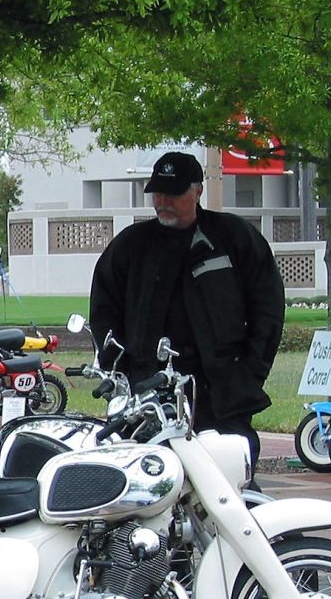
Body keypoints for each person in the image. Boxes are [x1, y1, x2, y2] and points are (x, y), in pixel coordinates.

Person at [90, 151, 284, 468]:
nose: (164, 201)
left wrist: (249, 372)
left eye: (175, 193)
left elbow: (268, 310)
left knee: (230, 479)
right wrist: (124, 373)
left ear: (197, 191)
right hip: (149, 389)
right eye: (158, 193)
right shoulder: (131, 247)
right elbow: (103, 314)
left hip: (221, 389)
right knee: (152, 476)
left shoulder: (234, 238)